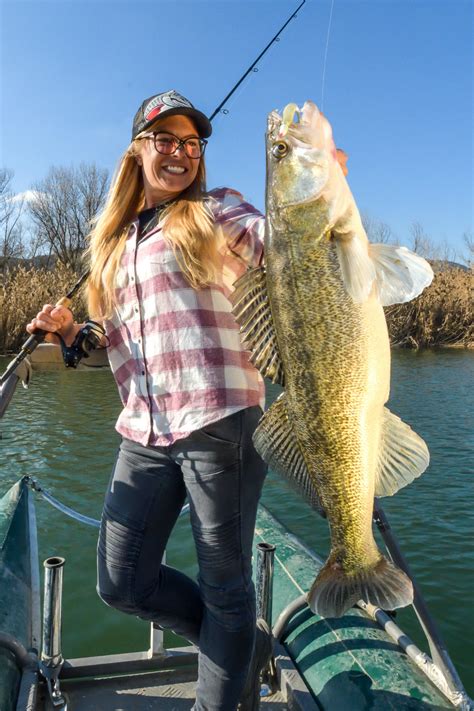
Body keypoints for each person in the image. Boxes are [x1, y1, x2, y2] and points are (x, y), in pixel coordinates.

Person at [27, 90, 272, 711]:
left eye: (192, 143)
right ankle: (236, 646)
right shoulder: (114, 243)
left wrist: (312, 200)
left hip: (222, 423)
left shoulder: (219, 211)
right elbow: (112, 341)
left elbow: (276, 245)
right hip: (142, 431)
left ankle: (222, 684)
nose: (180, 153)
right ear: (137, 150)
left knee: (226, 585)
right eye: (165, 139)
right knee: (121, 583)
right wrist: (67, 333)